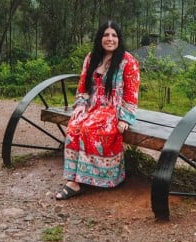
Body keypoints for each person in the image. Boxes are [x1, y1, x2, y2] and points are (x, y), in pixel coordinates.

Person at [56, 20, 141, 200]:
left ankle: (103, 177)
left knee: (90, 129)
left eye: (114, 35)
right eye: (106, 35)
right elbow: (83, 87)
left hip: (113, 108)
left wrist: (125, 118)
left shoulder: (128, 61)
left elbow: (131, 93)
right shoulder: (91, 58)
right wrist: (80, 106)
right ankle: (75, 179)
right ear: (100, 38)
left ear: (119, 39)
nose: (110, 39)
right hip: (91, 105)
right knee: (74, 126)